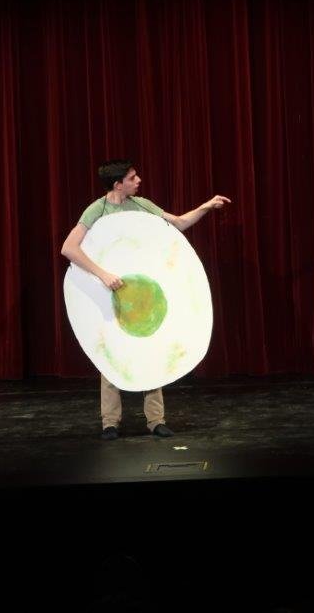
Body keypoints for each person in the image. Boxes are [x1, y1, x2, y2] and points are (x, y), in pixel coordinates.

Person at [60, 160, 230, 440]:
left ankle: (155, 420)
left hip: (142, 293)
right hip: (110, 292)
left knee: (152, 352)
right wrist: (102, 274)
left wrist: (206, 206)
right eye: (132, 177)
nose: (138, 180)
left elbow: (178, 223)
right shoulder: (97, 210)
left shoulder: (141, 205)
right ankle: (110, 422)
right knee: (112, 357)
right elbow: (68, 248)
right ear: (118, 184)